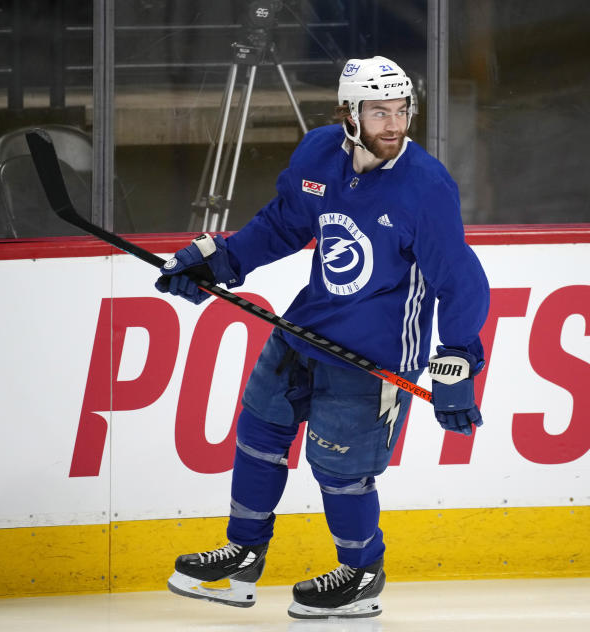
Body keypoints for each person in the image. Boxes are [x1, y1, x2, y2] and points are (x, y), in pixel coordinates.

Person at [156, 55, 490, 619]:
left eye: (401, 110)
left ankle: (360, 574)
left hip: (375, 357)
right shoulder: (317, 153)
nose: (393, 124)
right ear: (349, 114)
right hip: (305, 331)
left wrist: (457, 357)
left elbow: (459, 277)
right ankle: (242, 557)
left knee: (340, 469)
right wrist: (219, 261)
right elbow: (284, 223)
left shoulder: (426, 187)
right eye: (378, 111)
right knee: (259, 431)